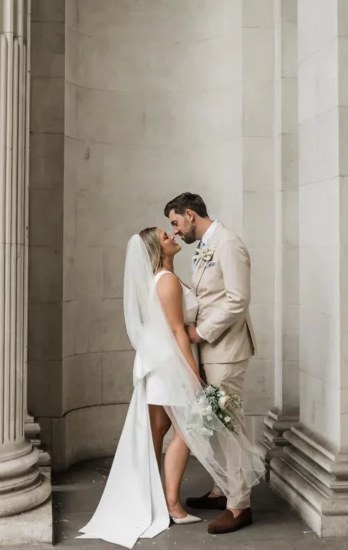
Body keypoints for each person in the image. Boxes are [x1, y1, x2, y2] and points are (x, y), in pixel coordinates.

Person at [78, 220, 263, 548]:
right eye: (166, 235)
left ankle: (150, 498)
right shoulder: (167, 282)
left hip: (160, 363)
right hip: (171, 364)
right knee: (183, 433)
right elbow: (179, 332)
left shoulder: (164, 279)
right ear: (156, 250)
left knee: (157, 431)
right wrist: (193, 377)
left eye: (172, 227)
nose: (173, 234)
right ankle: (173, 506)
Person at [165, 192, 259, 534]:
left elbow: (238, 299)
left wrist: (200, 332)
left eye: (175, 222)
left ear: (190, 214)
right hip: (210, 351)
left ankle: (240, 505)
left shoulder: (228, 243)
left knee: (229, 424)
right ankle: (224, 490)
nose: (175, 232)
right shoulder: (205, 245)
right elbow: (209, 295)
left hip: (226, 350)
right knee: (217, 423)